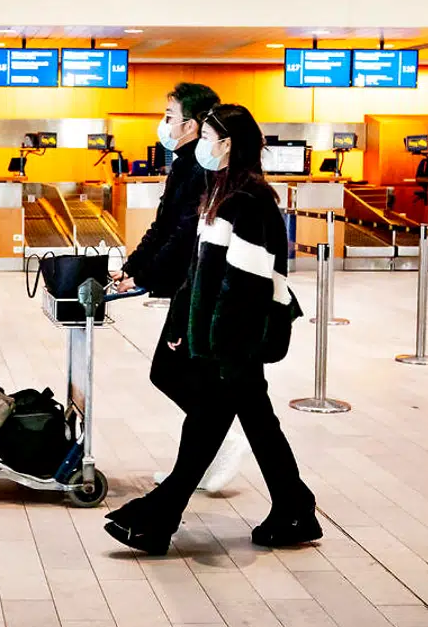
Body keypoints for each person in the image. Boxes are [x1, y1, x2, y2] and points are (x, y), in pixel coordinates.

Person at [104, 103, 319, 556]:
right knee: (253, 422)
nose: (200, 144)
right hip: (224, 340)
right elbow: (202, 270)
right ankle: (294, 508)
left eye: (207, 137)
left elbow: (244, 285)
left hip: (235, 341)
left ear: (227, 145)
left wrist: (218, 345)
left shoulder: (249, 201)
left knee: (210, 420)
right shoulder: (223, 191)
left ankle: (160, 517)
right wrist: (185, 320)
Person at [112, 83, 249, 494]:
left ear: (191, 125)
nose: (164, 123)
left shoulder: (201, 171)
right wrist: (133, 268)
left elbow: (184, 234)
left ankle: (223, 441)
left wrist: (146, 276)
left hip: (201, 288)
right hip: (187, 285)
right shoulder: (183, 164)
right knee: (182, 373)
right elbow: (162, 226)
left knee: (170, 372)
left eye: (169, 116)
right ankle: (201, 458)